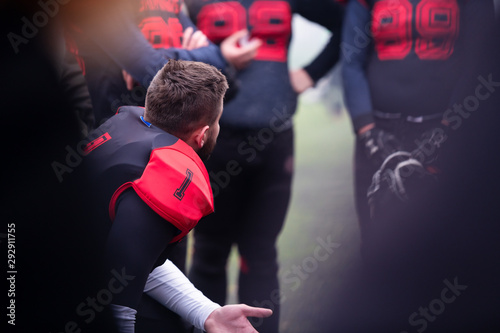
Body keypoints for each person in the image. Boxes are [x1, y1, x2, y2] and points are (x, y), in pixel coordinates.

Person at [183, 1, 345, 331]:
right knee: (209, 252)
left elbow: (348, 23)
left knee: (260, 254)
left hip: (275, 139)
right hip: (214, 140)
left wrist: (310, 73)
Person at [82, 59, 272, 333]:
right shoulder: (162, 177)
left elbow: (136, 259)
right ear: (203, 135)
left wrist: (207, 312)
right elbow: (117, 302)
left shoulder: (127, 129)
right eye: (217, 122)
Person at [65, 0, 261, 124]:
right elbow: (155, 72)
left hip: (173, 141)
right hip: (121, 143)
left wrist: (164, 55)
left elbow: (225, 80)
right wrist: (204, 56)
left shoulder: (170, 3)